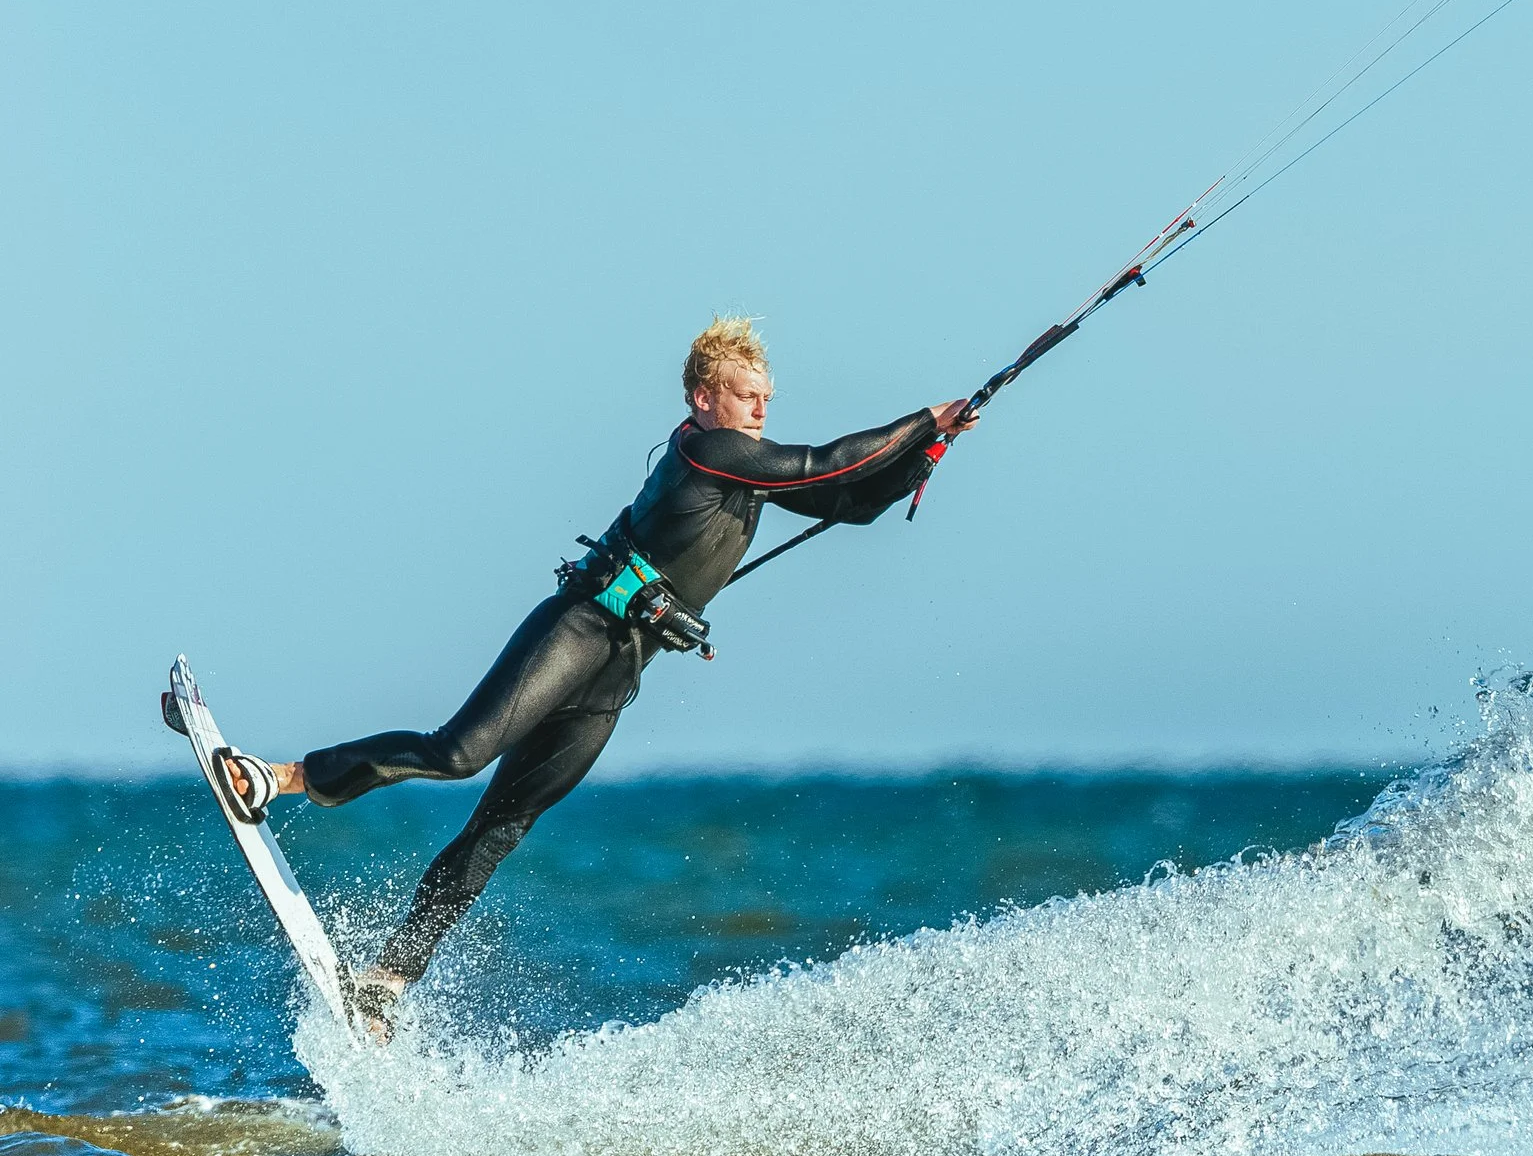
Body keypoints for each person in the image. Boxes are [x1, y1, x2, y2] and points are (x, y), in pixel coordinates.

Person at [216, 317, 975, 1033]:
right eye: (749, 396)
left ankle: (388, 980)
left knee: (503, 825)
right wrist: (924, 419)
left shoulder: (746, 470)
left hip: (618, 675)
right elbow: (826, 462)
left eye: (768, 399)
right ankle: (280, 776)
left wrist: (925, 457)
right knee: (458, 753)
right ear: (704, 398)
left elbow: (844, 501)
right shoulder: (707, 453)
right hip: (578, 630)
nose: (761, 410)